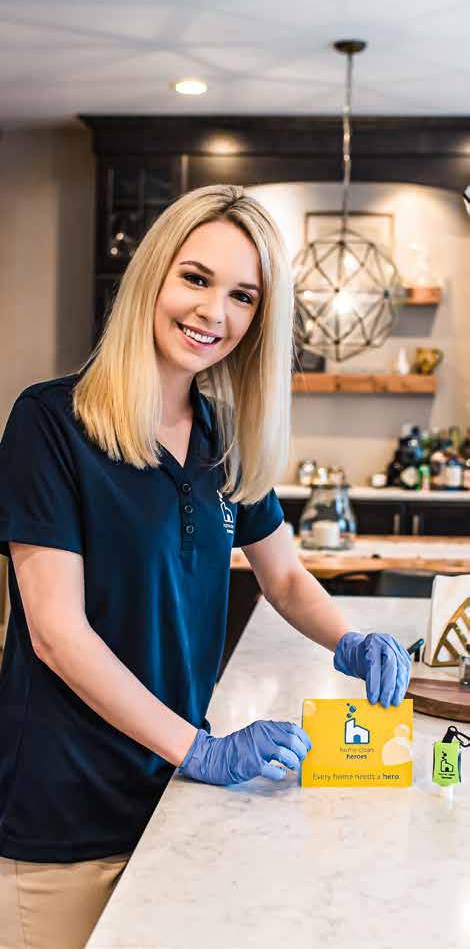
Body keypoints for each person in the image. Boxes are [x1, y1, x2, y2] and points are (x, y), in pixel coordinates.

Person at [0, 184, 411, 948]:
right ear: (153, 275)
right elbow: (56, 633)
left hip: (173, 796)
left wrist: (351, 640)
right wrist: (202, 748)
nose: (213, 312)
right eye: (195, 278)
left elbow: (284, 578)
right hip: (66, 810)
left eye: (243, 296)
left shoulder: (225, 436)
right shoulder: (51, 423)